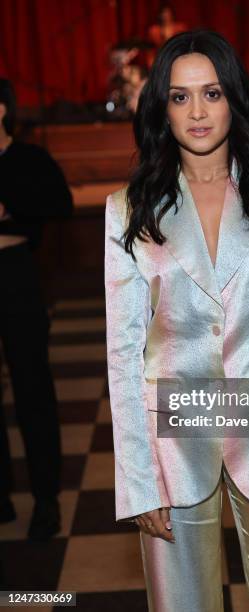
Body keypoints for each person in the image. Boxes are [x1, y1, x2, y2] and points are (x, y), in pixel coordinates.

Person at [105, 30, 249, 611]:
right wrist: (139, 480)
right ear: (162, 107)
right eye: (180, 97)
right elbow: (123, 352)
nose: (198, 111)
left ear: (233, 99)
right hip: (173, 444)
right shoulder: (130, 210)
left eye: (211, 93)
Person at [0, 78, 73, 539]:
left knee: (32, 386)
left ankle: (46, 498)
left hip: (13, 273)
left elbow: (59, 205)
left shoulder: (29, 158)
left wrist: (9, 207)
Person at [146, 4, 187, 69]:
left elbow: (185, 46)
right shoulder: (154, 30)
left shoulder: (180, 28)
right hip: (161, 61)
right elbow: (150, 51)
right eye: (163, 13)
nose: (165, 15)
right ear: (159, 15)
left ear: (171, 13)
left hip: (178, 59)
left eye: (167, 12)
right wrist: (152, 66)